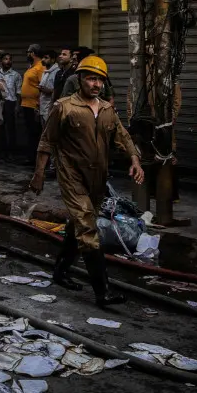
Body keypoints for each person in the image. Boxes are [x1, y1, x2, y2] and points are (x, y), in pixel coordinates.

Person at [30, 55, 144, 307]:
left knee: (80, 223)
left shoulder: (106, 109)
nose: (95, 84)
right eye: (91, 78)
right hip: (71, 175)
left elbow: (123, 137)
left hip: (98, 177)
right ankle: (102, 292)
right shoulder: (64, 107)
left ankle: (60, 270)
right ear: (79, 79)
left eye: (99, 80)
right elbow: (47, 141)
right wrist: (38, 175)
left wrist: (134, 160)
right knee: (88, 228)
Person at [20, 45, 48, 164]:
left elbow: (43, 86)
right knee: (30, 132)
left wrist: (39, 105)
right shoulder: (32, 67)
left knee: (35, 133)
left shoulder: (40, 67)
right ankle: (31, 157)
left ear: (32, 53)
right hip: (26, 104)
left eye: (28, 52)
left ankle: (35, 159)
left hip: (34, 105)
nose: (27, 55)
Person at [0, 51, 21, 160]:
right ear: (1, 61)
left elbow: (19, 92)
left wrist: (17, 106)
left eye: (10, 59)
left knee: (10, 128)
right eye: (5, 59)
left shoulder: (15, 75)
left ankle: (11, 152)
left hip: (10, 103)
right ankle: (1, 150)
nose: (8, 61)